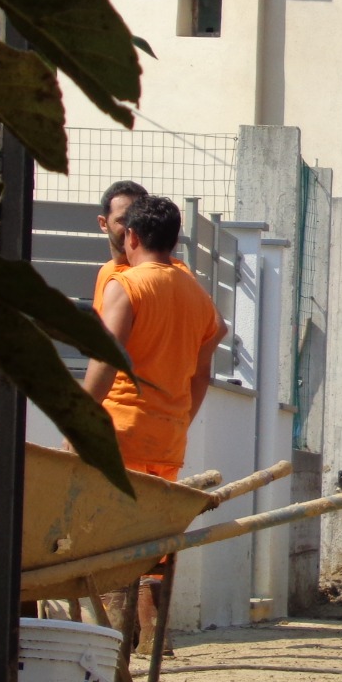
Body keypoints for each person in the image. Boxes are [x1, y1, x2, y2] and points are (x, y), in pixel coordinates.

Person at [83, 195, 227, 481]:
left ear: (132, 236)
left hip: (120, 436)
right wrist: (179, 423)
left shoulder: (126, 285)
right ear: (173, 242)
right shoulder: (198, 296)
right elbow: (203, 368)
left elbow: (106, 360)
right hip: (168, 444)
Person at [94, 180, 190, 311]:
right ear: (103, 223)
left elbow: (215, 325)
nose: (131, 227)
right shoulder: (107, 271)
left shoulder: (171, 272)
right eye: (123, 220)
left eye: (138, 220)